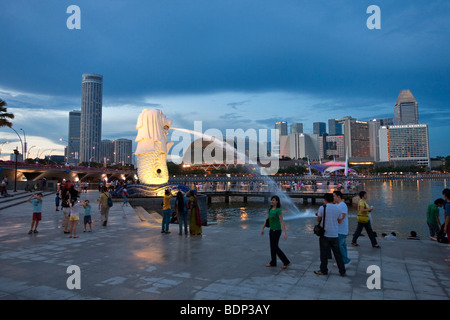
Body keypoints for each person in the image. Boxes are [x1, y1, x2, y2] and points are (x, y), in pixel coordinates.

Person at [314, 193, 346, 276]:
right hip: (335, 234)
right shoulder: (338, 208)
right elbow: (339, 221)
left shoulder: (322, 208)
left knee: (323, 254)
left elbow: (318, 220)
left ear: (325, 199)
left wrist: (319, 215)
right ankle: (342, 270)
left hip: (325, 234)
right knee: (337, 254)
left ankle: (324, 270)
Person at [260, 195, 290, 269]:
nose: (272, 201)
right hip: (271, 230)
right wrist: (262, 228)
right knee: (272, 247)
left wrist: (284, 232)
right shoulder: (269, 210)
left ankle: (286, 261)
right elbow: (267, 220)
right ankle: (273, 262)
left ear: (277, 201)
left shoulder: (278, 210)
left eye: (273, 200)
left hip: (277, 230)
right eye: (271, 200)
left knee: (275, 247)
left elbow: (282, 221)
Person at [333, 190, 351, 265]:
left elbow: (341, 218)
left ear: (338, 196)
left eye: (334, 196)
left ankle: (345, 261)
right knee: (342, 245)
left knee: (339, 246)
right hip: (339, 229)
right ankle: (342, 260)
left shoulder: (342, 205)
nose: (333, 198)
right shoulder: (337, 205)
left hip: (341, 230)